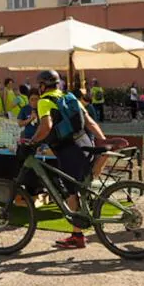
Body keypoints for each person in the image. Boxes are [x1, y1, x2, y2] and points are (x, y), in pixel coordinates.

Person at [24, 69, 108, 250]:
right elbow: (90, 122)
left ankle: (77, 236)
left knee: (72, 193)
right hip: (85, 145)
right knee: (78, 189)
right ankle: (78, 232)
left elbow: (46, 126)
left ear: (43, 86)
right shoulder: (70, 97)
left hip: (69, 151)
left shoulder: (45, 102)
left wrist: (32, 142)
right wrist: (103, 142)